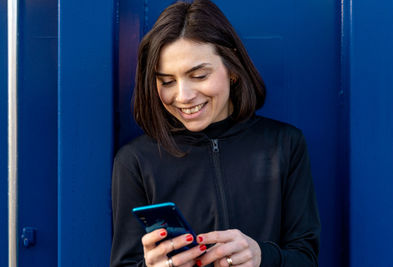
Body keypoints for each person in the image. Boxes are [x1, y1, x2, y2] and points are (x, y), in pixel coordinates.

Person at [110, 0, 321, 266]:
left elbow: (306, 258)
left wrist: (261, 256)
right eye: (167, 81)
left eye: (199, 76)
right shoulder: (135, 161)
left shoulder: (285, 144)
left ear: (232, 68)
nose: (183, 96)